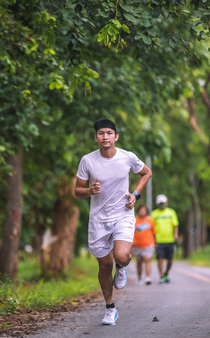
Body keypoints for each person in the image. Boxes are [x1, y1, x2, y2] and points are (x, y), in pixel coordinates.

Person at [75, 119, 152, 326]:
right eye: (101, 133)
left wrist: (136, 194)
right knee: (104, 264)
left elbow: (146, 173)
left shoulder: (127, 157)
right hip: (98, 220)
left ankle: (122, 265)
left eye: (109, 133)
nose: (105, 137)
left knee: (121, 255)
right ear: (96, 137)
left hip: (123, 214)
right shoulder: (87, 161)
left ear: (116, 136)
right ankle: (110, 308)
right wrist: (89, 191)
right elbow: (77, 190)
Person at [151, 194, 179, 284]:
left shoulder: (171, 212)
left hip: (170, 240)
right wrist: (153, 240)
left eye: (163, 203)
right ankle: (161, 276)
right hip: (159, 241)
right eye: (160, 203)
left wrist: (176, 235)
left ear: (166, 203)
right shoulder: (154, 214)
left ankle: (166, 273)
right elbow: (152, 228)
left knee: (170, 260)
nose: (162, 204)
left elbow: (175, 225)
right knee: (160, 259)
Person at [132, 203, 156, 286]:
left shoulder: (150, 220)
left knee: (147, 259)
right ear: (138, 211)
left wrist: (156, 243)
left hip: (148, 244)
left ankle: (148, 277)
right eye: (141, 210)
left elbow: (154, 232)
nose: (142, 211)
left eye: (144, 210)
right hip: (136, 245)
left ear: (146, 211)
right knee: (139, 262)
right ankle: (139, 278)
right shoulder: (134, 220)